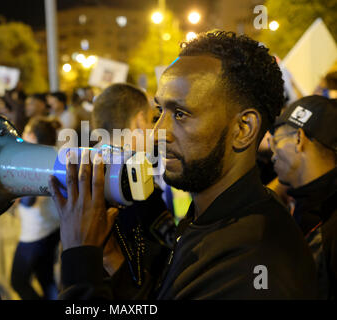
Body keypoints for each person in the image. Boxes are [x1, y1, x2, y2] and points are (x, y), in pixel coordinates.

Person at [48, 31, 319, 299]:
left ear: (243, 128)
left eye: (180, 114)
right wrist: (108, 256)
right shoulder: (210, 216)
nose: (157, 132)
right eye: (159, 112)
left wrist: (79, 262)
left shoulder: (254, 261)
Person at [91, 83, 175, 299]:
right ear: (139, 120)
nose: (155, 130)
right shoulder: (137, 183)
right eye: (151, 120)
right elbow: (166, 254)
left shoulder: (80, 173)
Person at [269, 95, 337, 299]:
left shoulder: (326, 224)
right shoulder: (311, 206)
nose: (273, 155)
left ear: (298, 139)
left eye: (276, 141)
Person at [10, 117, 61, 300]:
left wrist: (14, 194)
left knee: (18, 281)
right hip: (53, 227)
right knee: (46, 278)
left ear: (31, 135)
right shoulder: (55, 153)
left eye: (24, 133)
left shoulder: (33, 159)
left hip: (35, 232)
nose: (22, 136)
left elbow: (29, 201)